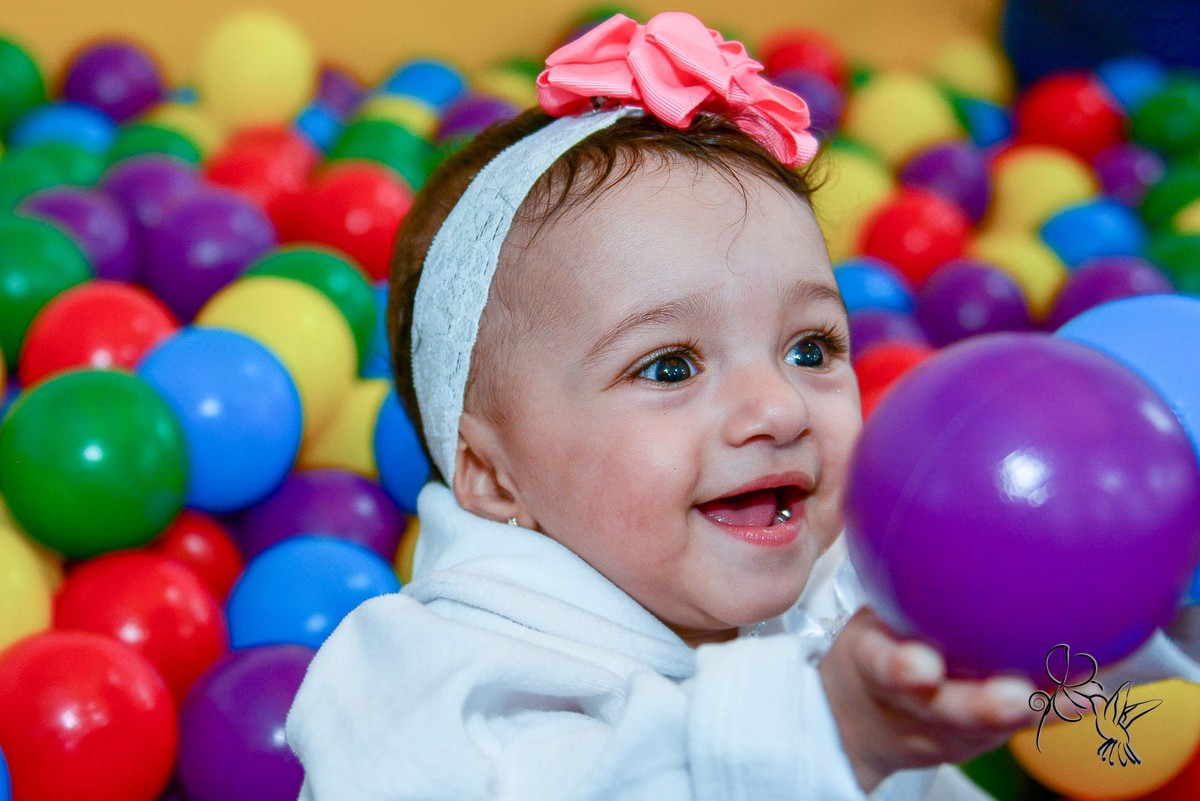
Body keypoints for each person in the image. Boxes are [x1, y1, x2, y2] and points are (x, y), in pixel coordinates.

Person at [285, 12, 1045, 800]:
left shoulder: (854, 583)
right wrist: (826, 733)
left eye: (810, 349)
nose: (779, 407)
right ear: (494, 474)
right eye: (671, 367)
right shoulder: (433, 680)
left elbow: (1048, 647)